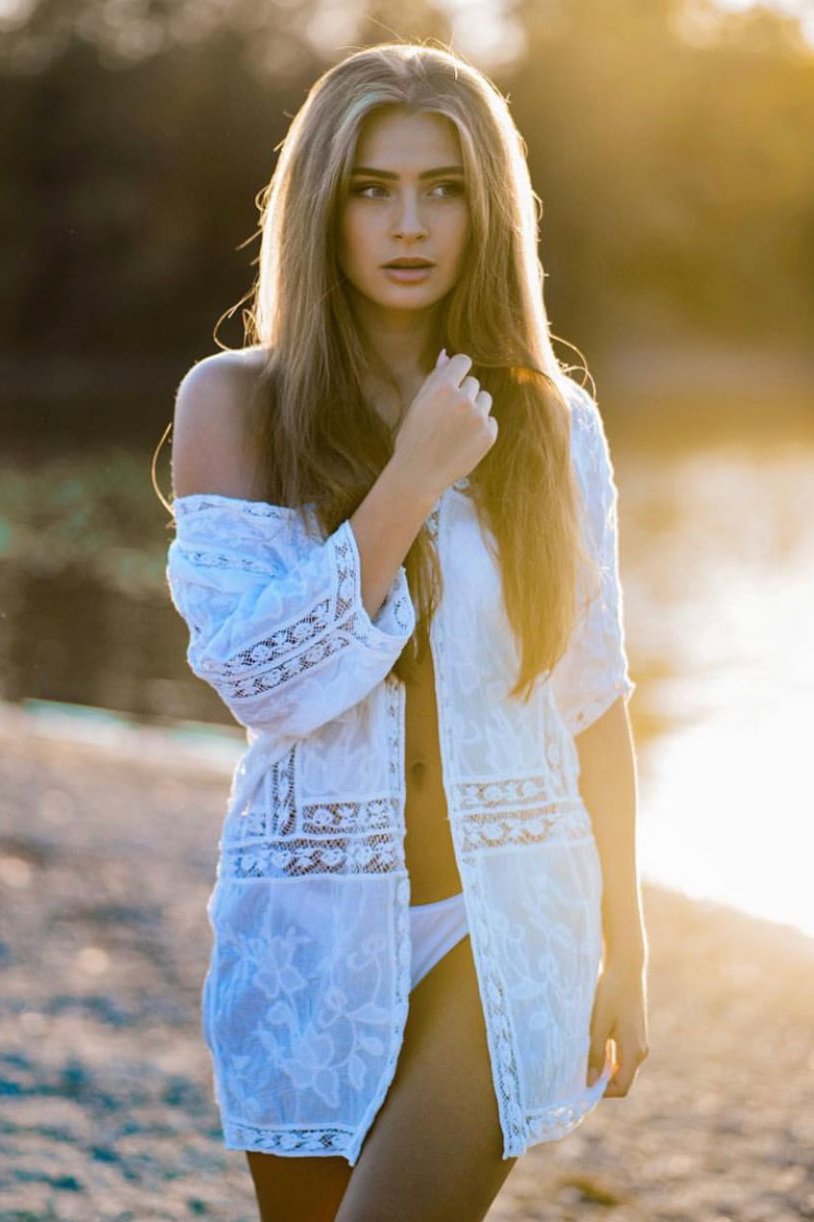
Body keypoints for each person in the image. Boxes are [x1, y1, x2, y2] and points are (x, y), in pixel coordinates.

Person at [161, 39, 649, 1222]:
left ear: (487, 212)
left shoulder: (548, 421)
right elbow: (259, 683)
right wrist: (408, 483)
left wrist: (625, 952)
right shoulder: (233, 402)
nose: (409, 223)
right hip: (308, 933)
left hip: (509, 912)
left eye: (443, 188)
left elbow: (593, 694)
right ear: (321, 207)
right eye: (373, 189)